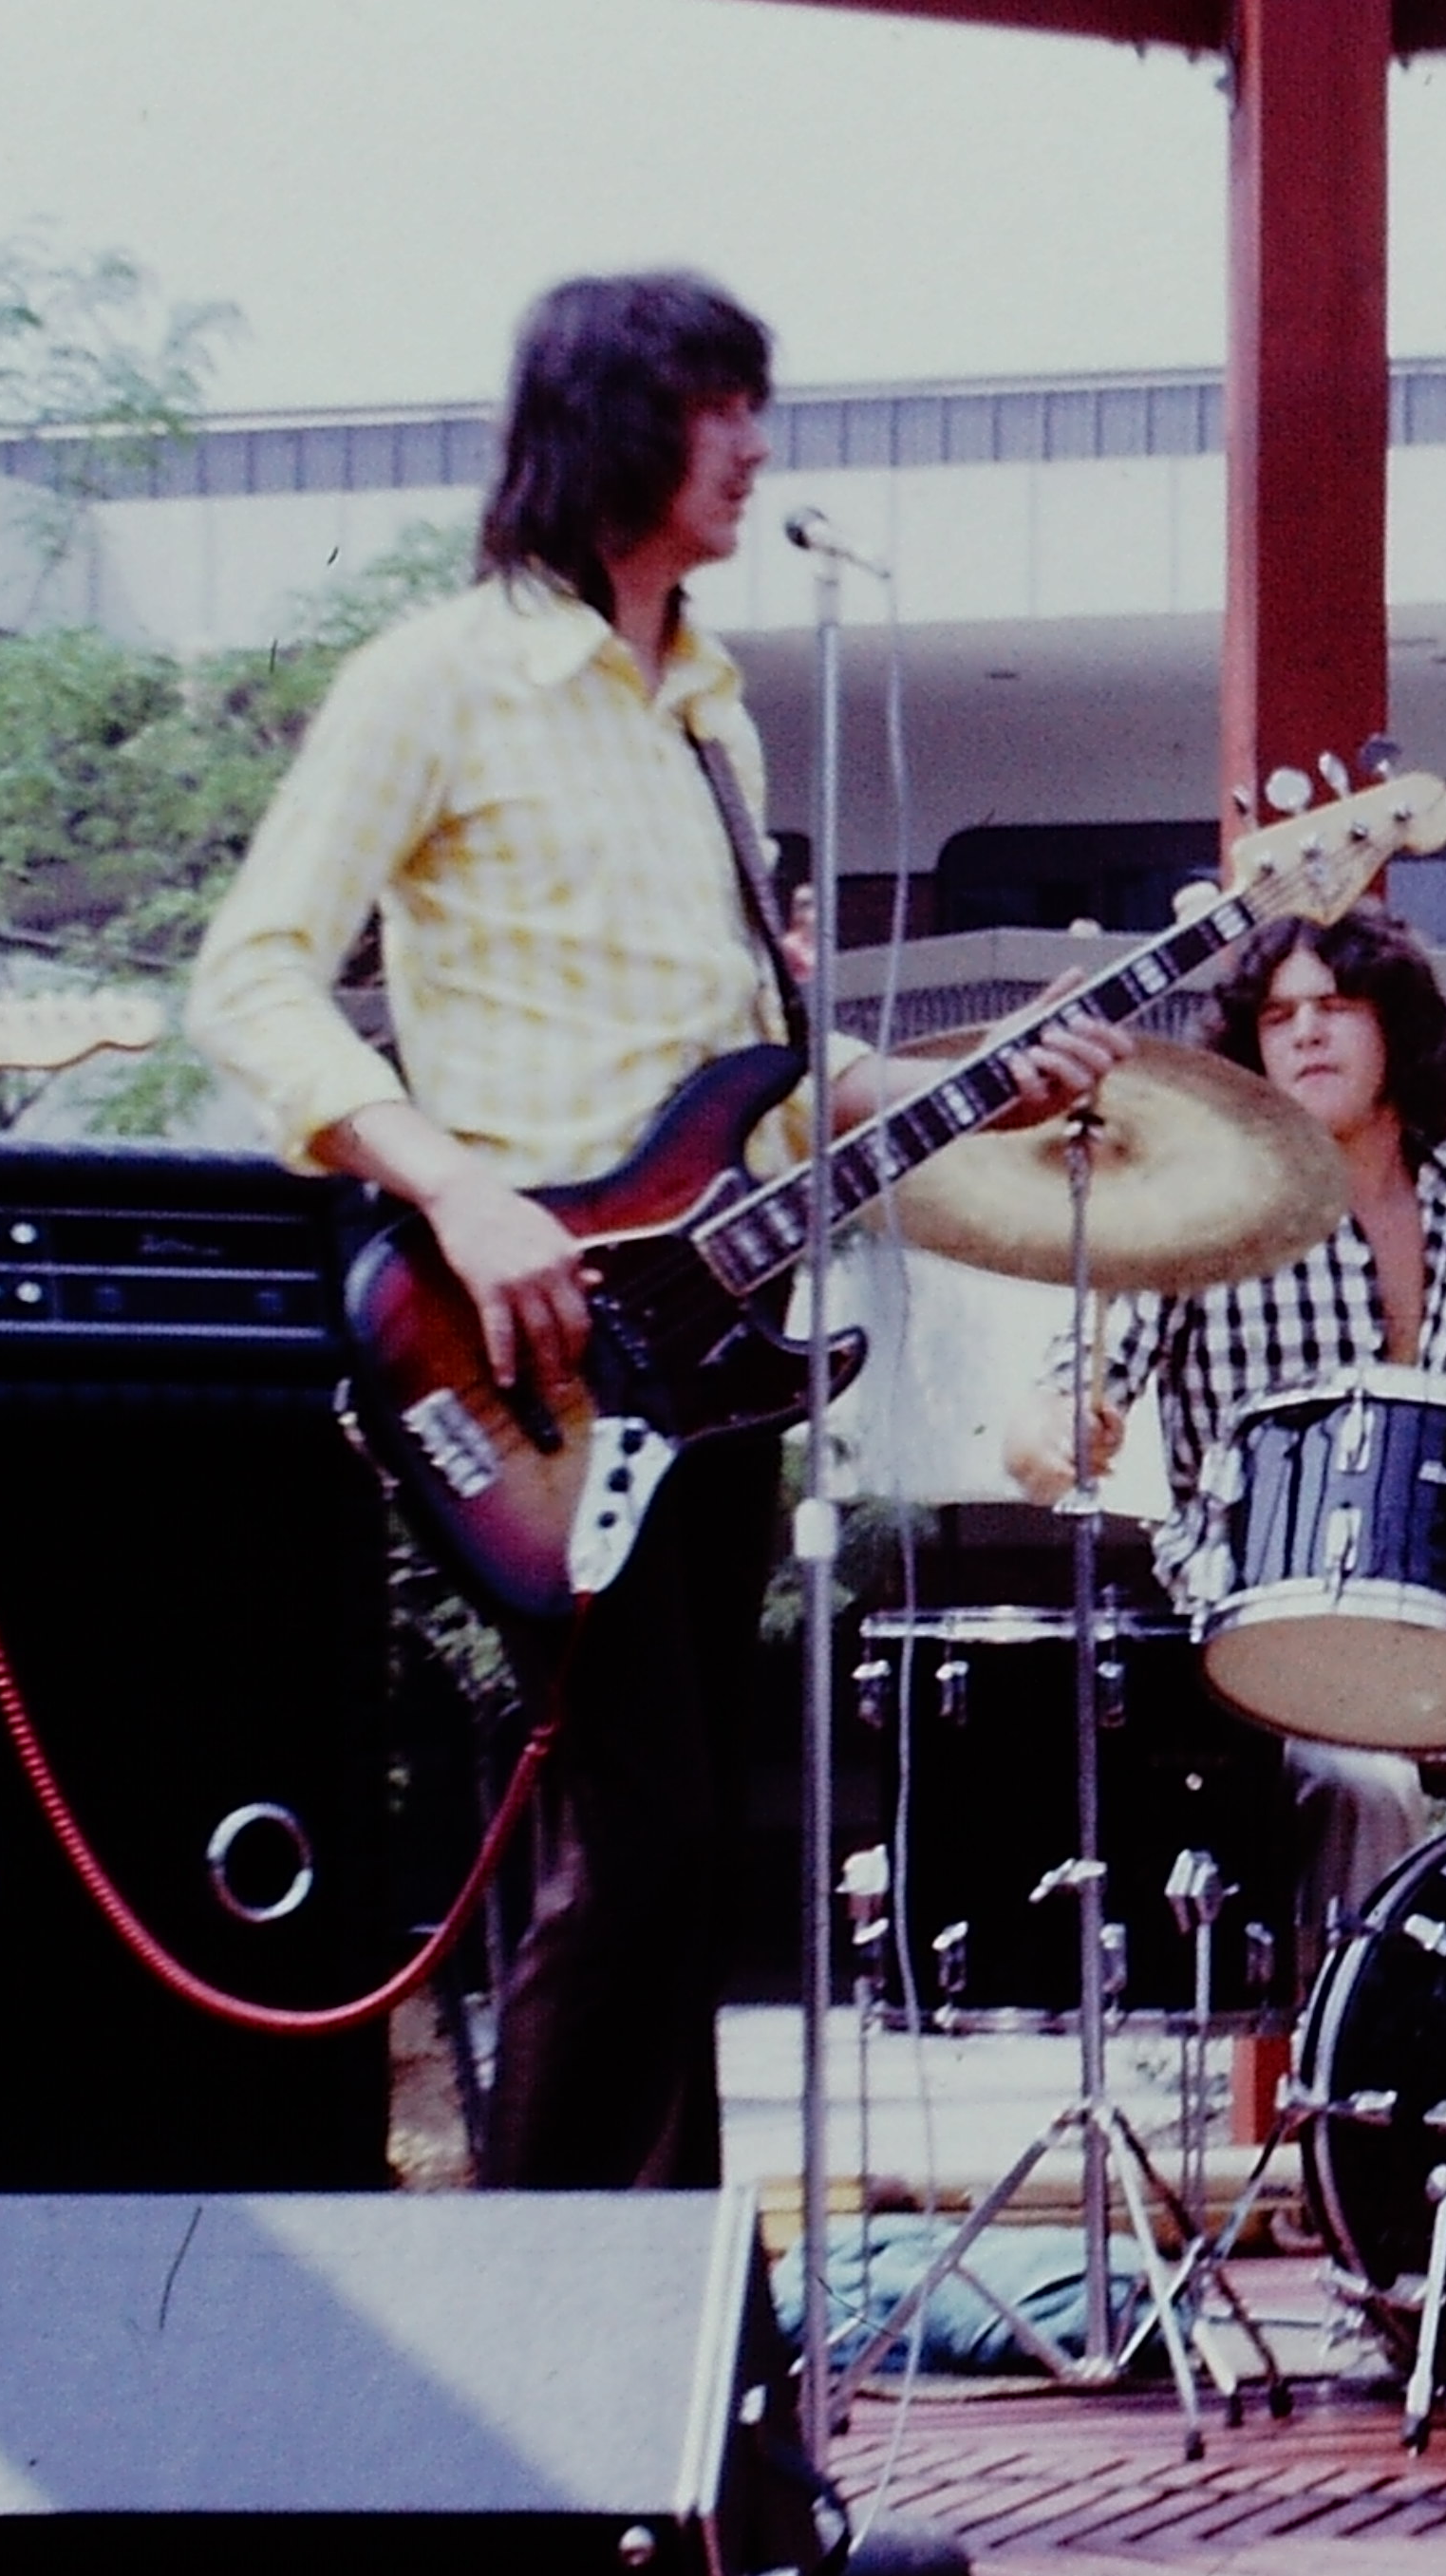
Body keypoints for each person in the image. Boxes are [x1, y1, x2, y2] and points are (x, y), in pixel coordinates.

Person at [193, 269, 1112, 2192]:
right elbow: (250, 980)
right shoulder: (440, 677)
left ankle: (690, 2353)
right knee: (648, 1837)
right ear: (613, 422)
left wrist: (973, 1080)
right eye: (722, 407)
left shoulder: (711, 719)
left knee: (684, 1859)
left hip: (701, 1347)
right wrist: (454, 1187)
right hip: (514, 1345)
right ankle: (554, 2326)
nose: (757, 448)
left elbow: (751, 1077)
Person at [1005, 902, 1446, 1920]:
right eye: (1279, 1017)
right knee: (1372, 1785)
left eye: (1337, 1006)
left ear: (1396, 1028)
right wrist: (1055, 1435)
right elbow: (1062, 1396)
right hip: (1256, 1635)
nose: (1306, 1032)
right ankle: (1340, 2024)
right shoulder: (1204, 1217)